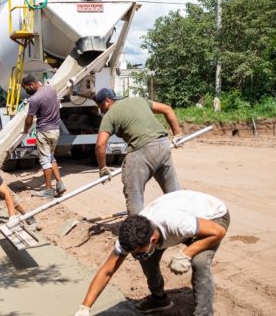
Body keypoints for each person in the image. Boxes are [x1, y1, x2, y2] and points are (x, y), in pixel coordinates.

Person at [74, 190, 230, 316]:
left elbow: (218, 232)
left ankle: (203, 313)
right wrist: (85, 307)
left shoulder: (176, 223)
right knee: (146, 258)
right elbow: (107, 271)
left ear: (153, 239)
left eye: (137, 252)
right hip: (184, 220)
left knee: (200, 261)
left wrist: (187, 253)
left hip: (213, 217)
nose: (134, 257)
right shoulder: (129, 236)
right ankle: (159, 300)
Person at [95, 88, 183, 216]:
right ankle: (184, 222)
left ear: (107, 101)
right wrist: (177, 134)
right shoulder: (139, 100)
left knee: (134, 192)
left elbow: (100, 145)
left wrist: (102, 167)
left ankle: (138, 231)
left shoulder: (110, 114)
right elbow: (167, 109)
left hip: (142, 149)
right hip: (162, 144)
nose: (101, 110)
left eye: (100, 106)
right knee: (173, 192)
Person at [21, 73, 66, 198]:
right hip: (55, 130)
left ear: (32, 84)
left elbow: (29, 119)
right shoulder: (51, 90)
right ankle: (60, 184)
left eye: (27, 88)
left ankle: (48, 189)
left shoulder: (35, 99)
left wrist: (25, 130)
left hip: (44, 132)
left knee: (45, 160)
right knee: (51, 157)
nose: (27, 91)